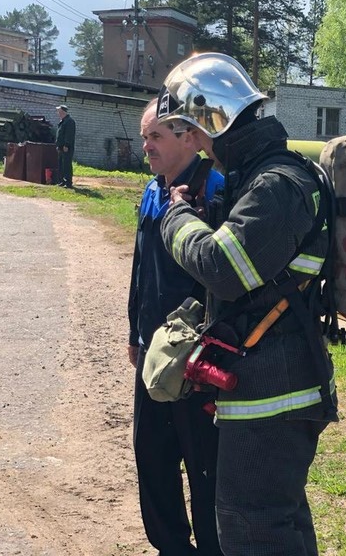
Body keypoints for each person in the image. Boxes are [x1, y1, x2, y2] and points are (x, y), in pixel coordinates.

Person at [156, 52, 338, 556]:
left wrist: (178, 220)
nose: (194, 145)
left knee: (252, 529)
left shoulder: (276, 185)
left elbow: (224, 268)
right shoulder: (259, 176)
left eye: (192, 131)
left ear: (213, 121)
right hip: (272, 383)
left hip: (273, 392)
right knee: (279, 523)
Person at [127, 100, 224, 556]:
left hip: (198, 360)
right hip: (153, 351)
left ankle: (211, 547)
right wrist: (134, 331)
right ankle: (171, 546)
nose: (146, 146)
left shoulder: (217, 190)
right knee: (152, 453)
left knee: (204, 463)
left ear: (188, 136)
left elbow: (228, 276)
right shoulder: (152, 190)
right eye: (145, 137)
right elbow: (140, 267)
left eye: (155, 137)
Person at [55, 104, 76, 188]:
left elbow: (69, 135)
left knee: (66, 164)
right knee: (61, 164)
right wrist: (58, 145)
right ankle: (62, 181)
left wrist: (66, 145)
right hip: (60, 147)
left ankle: (68, 182)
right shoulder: (62, 121)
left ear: (62, 111)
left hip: (66, 147)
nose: (57, 113)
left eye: (58, 111)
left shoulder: (69, 121)